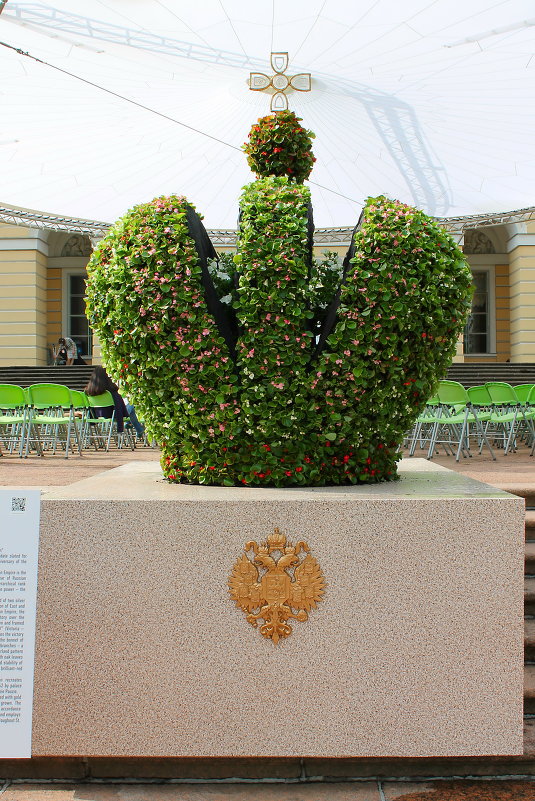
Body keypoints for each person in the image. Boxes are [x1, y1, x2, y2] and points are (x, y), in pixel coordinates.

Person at [84, 366, 144, 437]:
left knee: (129, 408)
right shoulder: (111, 390)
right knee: (131, 406)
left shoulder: (88, 392)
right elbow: (119, 405)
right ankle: (137, 428)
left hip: (97, 414)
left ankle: (131, 424)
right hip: (113, 414)